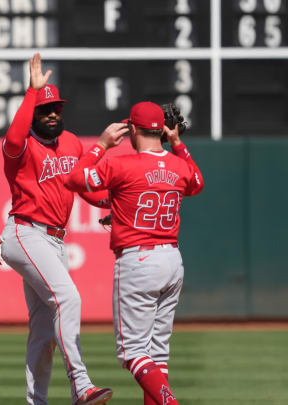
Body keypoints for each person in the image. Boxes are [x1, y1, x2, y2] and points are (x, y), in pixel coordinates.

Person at [0, 53, 113, 405]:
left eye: (56, 108)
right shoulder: (20, 146)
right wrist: (32, 93)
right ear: (33, 113)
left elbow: (82, 186)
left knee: (44, 334)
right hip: (25, 233)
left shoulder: (71, 142)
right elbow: (14, 135)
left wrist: (110, 204)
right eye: (45, 110)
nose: (52, 114)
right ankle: (81, 385)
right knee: (68, 298)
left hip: (55, 240)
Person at [64, 101, 205, 405]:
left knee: (132, 353)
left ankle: (170, 403)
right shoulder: (179, 166)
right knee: (157, 355)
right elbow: (196, 183)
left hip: (139, 262)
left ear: (133, 129)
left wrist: (101, 145)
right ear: (162, 130)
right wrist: (177, 144)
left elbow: (75, 179)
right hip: (171, 260)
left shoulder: (121, 165)